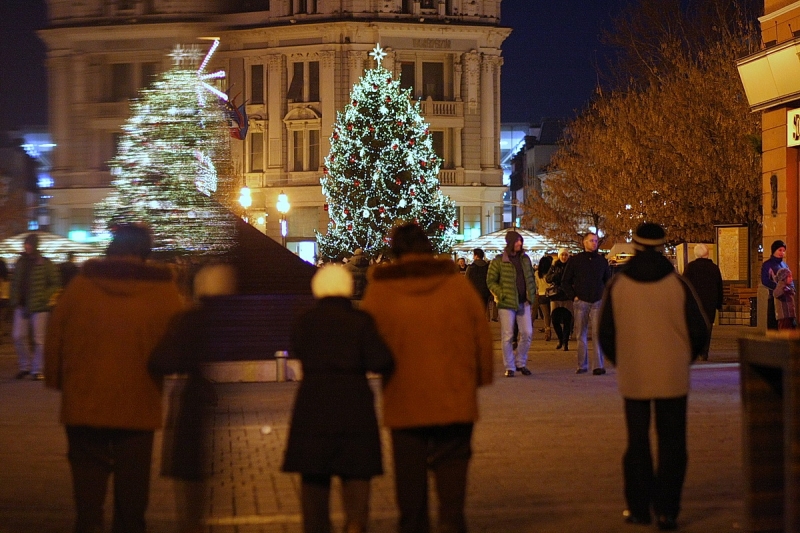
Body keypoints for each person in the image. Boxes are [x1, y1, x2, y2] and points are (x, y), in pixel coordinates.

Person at [43, 224, 184, 533]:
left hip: (84, 403)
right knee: (132, 499)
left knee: (88, 499)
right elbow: (178, 343)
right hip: (138, 403)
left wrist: (56, 380)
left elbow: (55, 336)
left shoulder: (81, 286)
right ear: (145, 252)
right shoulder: (163, 292)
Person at [361, 223, 493, 533]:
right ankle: (451, 524)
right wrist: (480, 377)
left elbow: (368, 342)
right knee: (452, 475)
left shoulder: (380, 292)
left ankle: (414, 525)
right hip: (454, 397)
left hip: (405, 398)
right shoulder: (456, 286)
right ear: (429, 248)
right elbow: (482, 336)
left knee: (410, 479)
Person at [598, 222, 710, 531]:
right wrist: (682, 357)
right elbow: (699, 328)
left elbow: (605, 332)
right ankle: (667, 511)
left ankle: (638, 508)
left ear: (634, 246)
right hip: (672, 373)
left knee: (637, 442)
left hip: (634, 373)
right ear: (662, 247)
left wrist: (623, 359)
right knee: (673, 442)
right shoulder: (678, 284)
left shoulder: (618, 285)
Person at [282, 264, 394, 533]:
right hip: (354, 409)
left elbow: (296, 349)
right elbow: (381, 360)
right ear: (348, 288)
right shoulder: (361, 321)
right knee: (356, 487)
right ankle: (354, 526)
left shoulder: (304, 321)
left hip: (313, 408)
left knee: (314, 495)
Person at [149, 263, 236, 533]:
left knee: (191, 473)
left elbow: (160, 360)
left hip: (194, 403)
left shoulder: (188, 320)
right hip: (219, 404)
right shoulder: (234, 320)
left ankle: (192, 525)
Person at [10, 233, 61, 380]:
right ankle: (26, 365)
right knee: (18, 336)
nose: (27, 246)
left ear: (35, 245)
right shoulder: (20, 262)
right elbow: (15, 283)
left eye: (29, 244)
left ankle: (37, 369)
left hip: (39, 306)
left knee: (39, 340)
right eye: (26, 243)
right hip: (22, 304)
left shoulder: (45, 263)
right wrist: (14, 299)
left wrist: (44, 297)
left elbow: (55, 283)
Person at [487, 230, 537, 377]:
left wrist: (531, 295)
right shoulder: (499, 260)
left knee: (527, 333)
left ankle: (520, 362)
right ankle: (510, 366)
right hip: (506, 303)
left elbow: (530, 278)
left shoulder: (525, 259)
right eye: (517, 241)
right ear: (510, 243)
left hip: (524, 302)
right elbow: (490, 281)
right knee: (508, 335)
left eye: (520, 241)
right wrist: (501, 294)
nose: (520, 243)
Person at [562, 233, 611, 375]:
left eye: (596, 241)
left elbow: (607, 280)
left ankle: (598, 365)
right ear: (584, 242)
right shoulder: (576, 260)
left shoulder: (601, 261)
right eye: (591, 241)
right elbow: (565, 281)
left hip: (597, 300)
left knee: (597, 333)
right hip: (581, 300)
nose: (594, 243)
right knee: (581, 334)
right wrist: (573, 296)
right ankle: (582, 364)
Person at [682, 244, 723, 360]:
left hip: (694, 303)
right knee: (707, 326)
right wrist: (719, 303)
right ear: (707, 253)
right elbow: (719, 286)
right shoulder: (714, 268)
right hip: (710, 302)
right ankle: (704, 352)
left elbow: (684, 285)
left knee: (693, 325)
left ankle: (694, 350)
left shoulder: (690, 267)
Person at [546, 248, 573, 350]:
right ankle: (560, 339)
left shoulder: (571, 266)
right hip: (555, 295)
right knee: (555, 320)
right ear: (559, 256)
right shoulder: (554, 266)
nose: (564, 257)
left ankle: (565, 342)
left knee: (567, 320)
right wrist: (555, 274)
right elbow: (547, 278)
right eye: (562, 255)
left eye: (566, 255)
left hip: (567, 296)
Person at [761, 240, 790, 330]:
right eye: (779, 250)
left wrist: (790, 289)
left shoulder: (784, 265)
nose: (782, 253)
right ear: (774, 250)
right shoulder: (767, 264)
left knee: (784, 322)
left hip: (785, 298)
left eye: (783, 250)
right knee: (773, 321)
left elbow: (789, 279)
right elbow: (765, 280)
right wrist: (778, 287)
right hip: (773, 297)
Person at [465, 248, 491, 321]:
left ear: (476, 256)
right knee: (483, 310)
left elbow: (466, 279)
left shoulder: (471, 267)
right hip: (485, 292)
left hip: (474, 292)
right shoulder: (488, 267)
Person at [535, 255, 554, 341]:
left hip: (541, 294)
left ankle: (547, 329)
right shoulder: (550, 273)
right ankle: (549, 328)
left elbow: (536, 285)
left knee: (546, 314)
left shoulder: (536, 273)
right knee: (551, 314)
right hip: (551, 294)